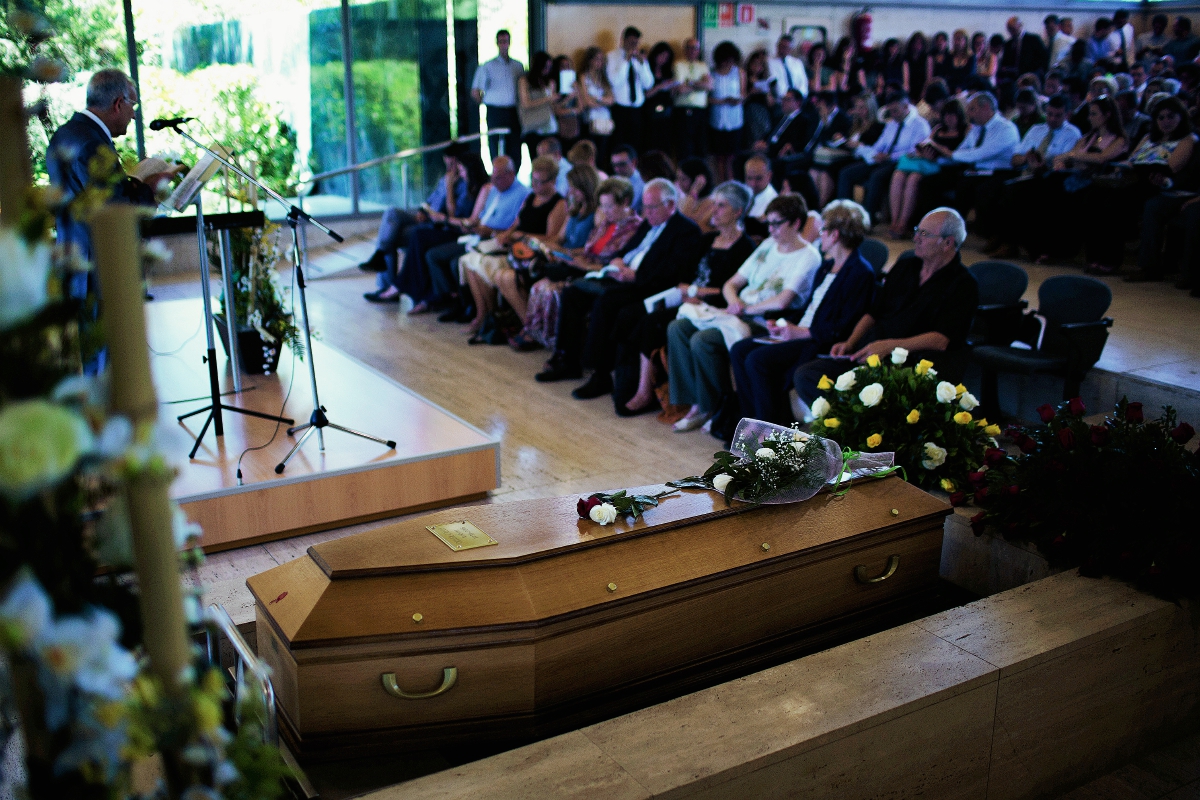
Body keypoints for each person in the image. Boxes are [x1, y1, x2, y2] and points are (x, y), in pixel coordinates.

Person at [792, 207, 979, 414]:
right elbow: (873, 312)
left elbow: (941, 339)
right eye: (917, 230)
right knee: (807, 375)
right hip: (871, 352)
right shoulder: (906, 267)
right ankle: (843, 427)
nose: (915, 238)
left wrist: (890, 346)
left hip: (910, 363)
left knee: (872, 394)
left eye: (924, 234)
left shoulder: (963, 284)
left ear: (947, 242)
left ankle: (852, 429)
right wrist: (850, 342)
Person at [535, 178, 702, 399]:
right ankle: (568, 359)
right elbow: (628, 250)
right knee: (573, 293)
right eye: (645, 206)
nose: (647, 212)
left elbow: (674, 272)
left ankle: (600, 373)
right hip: (624, 277)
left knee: (606, 303)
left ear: (671, 205)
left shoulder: (686, 231)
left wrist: (635, 275)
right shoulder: (648, 223)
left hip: (647, 285)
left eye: (652, 207)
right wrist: (618, 262)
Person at [668, 194, 822, 432]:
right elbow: (732, 283)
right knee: (678, 328)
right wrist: (734, 303)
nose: (771, 230)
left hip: (765, 320)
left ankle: (716, 407)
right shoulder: (768, 245)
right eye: (768, 223)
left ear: (796, 223)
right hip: (737, 312)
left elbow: (783, 301)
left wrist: (745, 309)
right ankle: (697, 402)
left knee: (703, 340)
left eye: (777, 224)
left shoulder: (808, 256)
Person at [615, 181, 757, 417]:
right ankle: (628, 384)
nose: (715, 211)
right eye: (714, 205)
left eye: (722, 206)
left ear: (738, 211)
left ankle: (645, 391)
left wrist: (694, 292)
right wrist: (686, 291)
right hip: (688, 299)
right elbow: (685, 275)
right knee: (636, 311)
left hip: (712, 307)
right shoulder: (707, 239)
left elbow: (730, 291)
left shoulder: (745, 248)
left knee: (653, 323)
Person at [730, 200, 876, 424]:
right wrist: (783, 324)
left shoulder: (860, 272)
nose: (820, 235)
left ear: (835, 235)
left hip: (817, 340)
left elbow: (842, 326)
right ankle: (752, 424)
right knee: (740, 350)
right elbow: (809, 308)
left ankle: (773, 434)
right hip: (802, 332)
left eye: (823, 230)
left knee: (758, 360)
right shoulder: (827, 266)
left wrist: (799, 332)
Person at [46, 69, 169, 274]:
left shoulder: (66, 133)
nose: (134, 115)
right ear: (118, 104)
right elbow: (114, 213)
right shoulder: (92, 144)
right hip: (97, 268)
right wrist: (150, 188)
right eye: (133, 105)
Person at [460, 156, 567, 337]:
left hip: (533, 256)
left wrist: (523, 237)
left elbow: (552, 239)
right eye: (533, 180)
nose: (536, 185)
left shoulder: (558, 203)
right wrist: (506, 235)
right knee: (471, 263)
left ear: (553, 181)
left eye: (541, 182)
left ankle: (528, 327)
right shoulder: (531, 197)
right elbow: (517, 223)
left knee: (497, 272)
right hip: (516, 249)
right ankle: (488, 316)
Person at [1018, 96, 1128, 264]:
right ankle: (1041, 248)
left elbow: (1102, 158)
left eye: (1094, 114)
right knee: (1039, 192)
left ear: (1107, 115)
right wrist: (1063, 160)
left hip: (1098, 182)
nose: (1090, 117)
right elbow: (1069, 158)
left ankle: (1059, 250)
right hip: (1075, 177)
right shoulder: (1086, 138)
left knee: (1059, 196)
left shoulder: (1118, 140)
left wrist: (1072, 156)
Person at [360, 143, 475, 303]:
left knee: (396, 236)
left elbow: (453, 215)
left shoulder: (465, 183)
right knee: (392, 213)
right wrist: (422, 210)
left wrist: (449, 188)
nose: (451, 168)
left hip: (439, 225)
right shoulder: (445, 178)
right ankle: (381, 261)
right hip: (427, 216)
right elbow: (430, 200)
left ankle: (387, 283)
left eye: (453, 164)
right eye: (447, 163)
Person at [510, 165, 606, 350]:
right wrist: (541, 243)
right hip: (565, 257)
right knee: (538, 287)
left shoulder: (597, 214)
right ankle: (536, 332)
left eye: (574, 187)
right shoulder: (574, 209)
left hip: (577, 262)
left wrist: (565, 253)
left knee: (547, 290)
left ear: (585, 187)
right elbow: (559, 238)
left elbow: (591, 249)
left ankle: (552, 340)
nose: (570, 191)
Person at [427, 156, 530, 322]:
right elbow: (476, 218)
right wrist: (470, 226)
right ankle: (458, 303)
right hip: (476, 236)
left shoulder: (523, 194)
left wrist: (488, 231)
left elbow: (514, 229)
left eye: (498, 177)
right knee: (433, 253)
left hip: (494, 240)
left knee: (458, 262)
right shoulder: (492, 190)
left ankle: (475, 310)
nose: (494, 181)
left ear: (511, 174)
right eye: (493, 176)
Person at [979, 93, 1081, 256]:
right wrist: (1027, 157)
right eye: (1050, 114)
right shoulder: (1036, 130)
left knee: (1014, 193)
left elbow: (1064, 164)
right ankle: (996, 235)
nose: (1052, 119)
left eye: (1058, 115)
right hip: (1026, 173)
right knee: (992, 188)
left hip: (1051, 179)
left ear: (1067, 114)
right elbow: (1015, 158)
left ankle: (1009, 243)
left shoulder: (1072, 134)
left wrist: (1043, 165)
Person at [395, 151, 492, 312]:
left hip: (462, 233)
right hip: (455, 228)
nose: (459, 174)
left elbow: (465, 220)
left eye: (461, 170)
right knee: (418, 235)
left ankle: (415, 292)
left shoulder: (481, 189)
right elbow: (453, 214)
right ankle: (421, 294)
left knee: (421, 238)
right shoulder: (466, 186)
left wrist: (444, 215)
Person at [836, 89, 931, 222]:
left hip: (901, 162)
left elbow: (914, 152)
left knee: (876, 177)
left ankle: (867, 219)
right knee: (846, 173)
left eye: (895, 111)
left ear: (905, 107)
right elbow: (881, 143)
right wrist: (875, 154)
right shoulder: (892, 124)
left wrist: (889, 156)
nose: (892, 114)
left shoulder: (920, 125)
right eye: (890, 111)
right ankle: (844, 216)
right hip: (883, 160)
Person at [887, 98, 967, 238]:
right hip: (927, 164)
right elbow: (925, 143)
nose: (949, 119)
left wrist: (938, 154)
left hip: (947, 167)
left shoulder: (965, 131)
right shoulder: (938, 129)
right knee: (898, 174)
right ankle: (895, 220)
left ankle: (904, 223)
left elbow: (961, 155)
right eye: (946, 115)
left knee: (914, 179)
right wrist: (921, 152)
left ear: (959, 115)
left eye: (952, 115)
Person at [472, 30, 524, 168]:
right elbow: (476, 91)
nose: (503, 44)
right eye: (500, 41)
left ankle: (514, 172)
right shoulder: (487, 66)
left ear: (509, 42)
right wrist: (484, 101)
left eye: (505, 41)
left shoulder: (517, 66)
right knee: (495, 144)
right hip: (495, 110)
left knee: (515, 144)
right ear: (497, 43)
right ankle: (497, 171)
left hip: (513, 110)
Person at [607, 26, 655, 152]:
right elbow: (615, 82)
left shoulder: (640, 58)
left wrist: (642, 65)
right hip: (620, 108)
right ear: (623, 40)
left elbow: (648, 84)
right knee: (618, 145)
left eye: (636, 43)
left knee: (636, 145)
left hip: (637, 109)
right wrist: (626, 60)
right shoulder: (612, 56)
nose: (634, 45)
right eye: (631, 42)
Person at [709, 41, 745, 183]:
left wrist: (738, 100)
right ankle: (720, 182)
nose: (728, 63)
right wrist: (723, 101)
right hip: (717, 119)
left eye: (731, 60)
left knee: (731, 156)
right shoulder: (712, 73)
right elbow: (707, 98)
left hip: (734, 119)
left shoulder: (740, 72)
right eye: (726, 60)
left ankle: (731, 182)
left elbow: (743, 93)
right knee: (719, 157)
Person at [673, 38, 711, 160]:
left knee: (701, 147)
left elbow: (709, 86)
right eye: (689, 47)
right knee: (684, 148)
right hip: (683, 110)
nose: (692, 50)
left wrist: (689, 82)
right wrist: (700, 84)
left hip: (701, 111)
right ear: (684, 50)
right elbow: (680, 89)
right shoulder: (678, 64)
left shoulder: (703, 66)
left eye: (695, 48)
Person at [518, 51, 562, 159]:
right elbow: (526, 103)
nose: (547, 70)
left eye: (549, 67)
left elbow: (553, 106)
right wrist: (548, 98)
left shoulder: (550, 82)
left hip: (549, 124)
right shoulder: (525, 80)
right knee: (537, 159)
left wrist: (570, 96)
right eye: (545, 67)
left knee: (553, 159)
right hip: (533, 126)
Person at [579, 46, 615, 167]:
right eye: (597, 59)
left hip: (605, 119)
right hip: (591, 119)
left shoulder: (604, 78)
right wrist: (602, 101)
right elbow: (587, 102)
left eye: (601, 59)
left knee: (603, 152)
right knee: (592, 151)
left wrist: (597, 99)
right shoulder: (584, 77)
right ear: (590, 60)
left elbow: (611, 100)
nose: (600, 62)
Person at [999, 17, 1048, 108]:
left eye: (1013, 28)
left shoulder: (1033, 39)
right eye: (1009, 29)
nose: (1011, 31)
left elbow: (1043, 59)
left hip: (1030, 75)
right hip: (1013, 78)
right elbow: (1004, 63)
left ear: (1020, 26)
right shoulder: (1008, 44)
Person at [644, 42, 677, 155]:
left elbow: (672, 95)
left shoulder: (668, 72)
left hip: (666, 115)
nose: (663, 59)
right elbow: (646, 95)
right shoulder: (647, 70)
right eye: (661, 56)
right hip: (650, 114)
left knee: (664, 146)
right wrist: (660, 87)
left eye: (666, 57)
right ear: (655, 55)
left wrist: (672, 88)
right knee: (650, 144)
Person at [675, 157, 716, 232]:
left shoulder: (712, 202)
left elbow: (685, 222)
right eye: (678, 178)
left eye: (683, 179)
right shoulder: (684, 200)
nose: (679, 183)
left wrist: (694, 190)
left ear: (696, 180)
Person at [742, 154, 778, 238]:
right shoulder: (740, 194)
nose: (753, 184)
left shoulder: (775, 202)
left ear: (769, 176)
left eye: (758, 178)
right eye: (749, 178)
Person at [768, 35, 809, 101]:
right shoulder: (769, 62)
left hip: (798, 98)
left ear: (791, 49)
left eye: (785, 47)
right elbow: (773, 82)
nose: (782, 49)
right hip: (780, 98)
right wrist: (787, 97)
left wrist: (799, 96)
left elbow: (803, 82)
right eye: (780, 46)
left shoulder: (797, 63)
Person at [609, 144, 645, 209]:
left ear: (634, 162)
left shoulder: (643, 183)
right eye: (614, 165)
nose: (617, 169)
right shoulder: (612, 181)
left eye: (621, 164)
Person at [945, 30, 976, 94]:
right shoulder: (949, 56)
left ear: (965, 41)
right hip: (951, 86)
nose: (956, 42)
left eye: (959, 39)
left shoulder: (971, 57)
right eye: (955, 39)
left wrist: (961, 87)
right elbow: (946, 73)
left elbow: (970, 76)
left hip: (966, 87)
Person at [903, 33, 928, 102]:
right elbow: (906, 79)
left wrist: (924, 93)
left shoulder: (927, 58)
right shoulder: (906, 58)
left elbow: (928, 78)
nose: (917, 46)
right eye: (915, 43)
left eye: (920, 43)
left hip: (923, 87)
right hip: (910, 87)